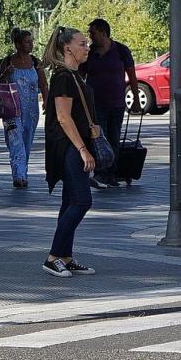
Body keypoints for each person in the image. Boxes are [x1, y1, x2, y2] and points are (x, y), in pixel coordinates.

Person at [41, 26, 97, 278]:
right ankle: (53, 256)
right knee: (82, 200)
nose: (87, 47)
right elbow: (63, 118)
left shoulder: (75, 75)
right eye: (82, 44)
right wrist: (83, 149)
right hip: (69, 147)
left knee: (70, 201)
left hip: (76, 144)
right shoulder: (63, 77)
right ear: (67, 48)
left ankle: (65, 256)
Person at [81, 18, 138, 188]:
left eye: (93, 32)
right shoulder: (89, 53)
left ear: (103, 33)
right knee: (99, 137)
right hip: (95, 103)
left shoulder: (121, 50)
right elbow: (80, 75)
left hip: (117, 103)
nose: (90, 36)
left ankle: (111, 174)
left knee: (113, 138)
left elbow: (132, 75)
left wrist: (135, 98)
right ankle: (100, 173)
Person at [0, 28, 49, 189]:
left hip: (31, 109)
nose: (31, 44)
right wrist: (5, 74)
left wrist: (46, 100)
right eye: (27, 42)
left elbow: (44, 84)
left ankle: (23, 173)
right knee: (15, 140)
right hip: (11, 110)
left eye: (31, 41)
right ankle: (18, 175)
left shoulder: (35, 61)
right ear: (17, 44)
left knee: (26, 142)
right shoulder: (7, 62)